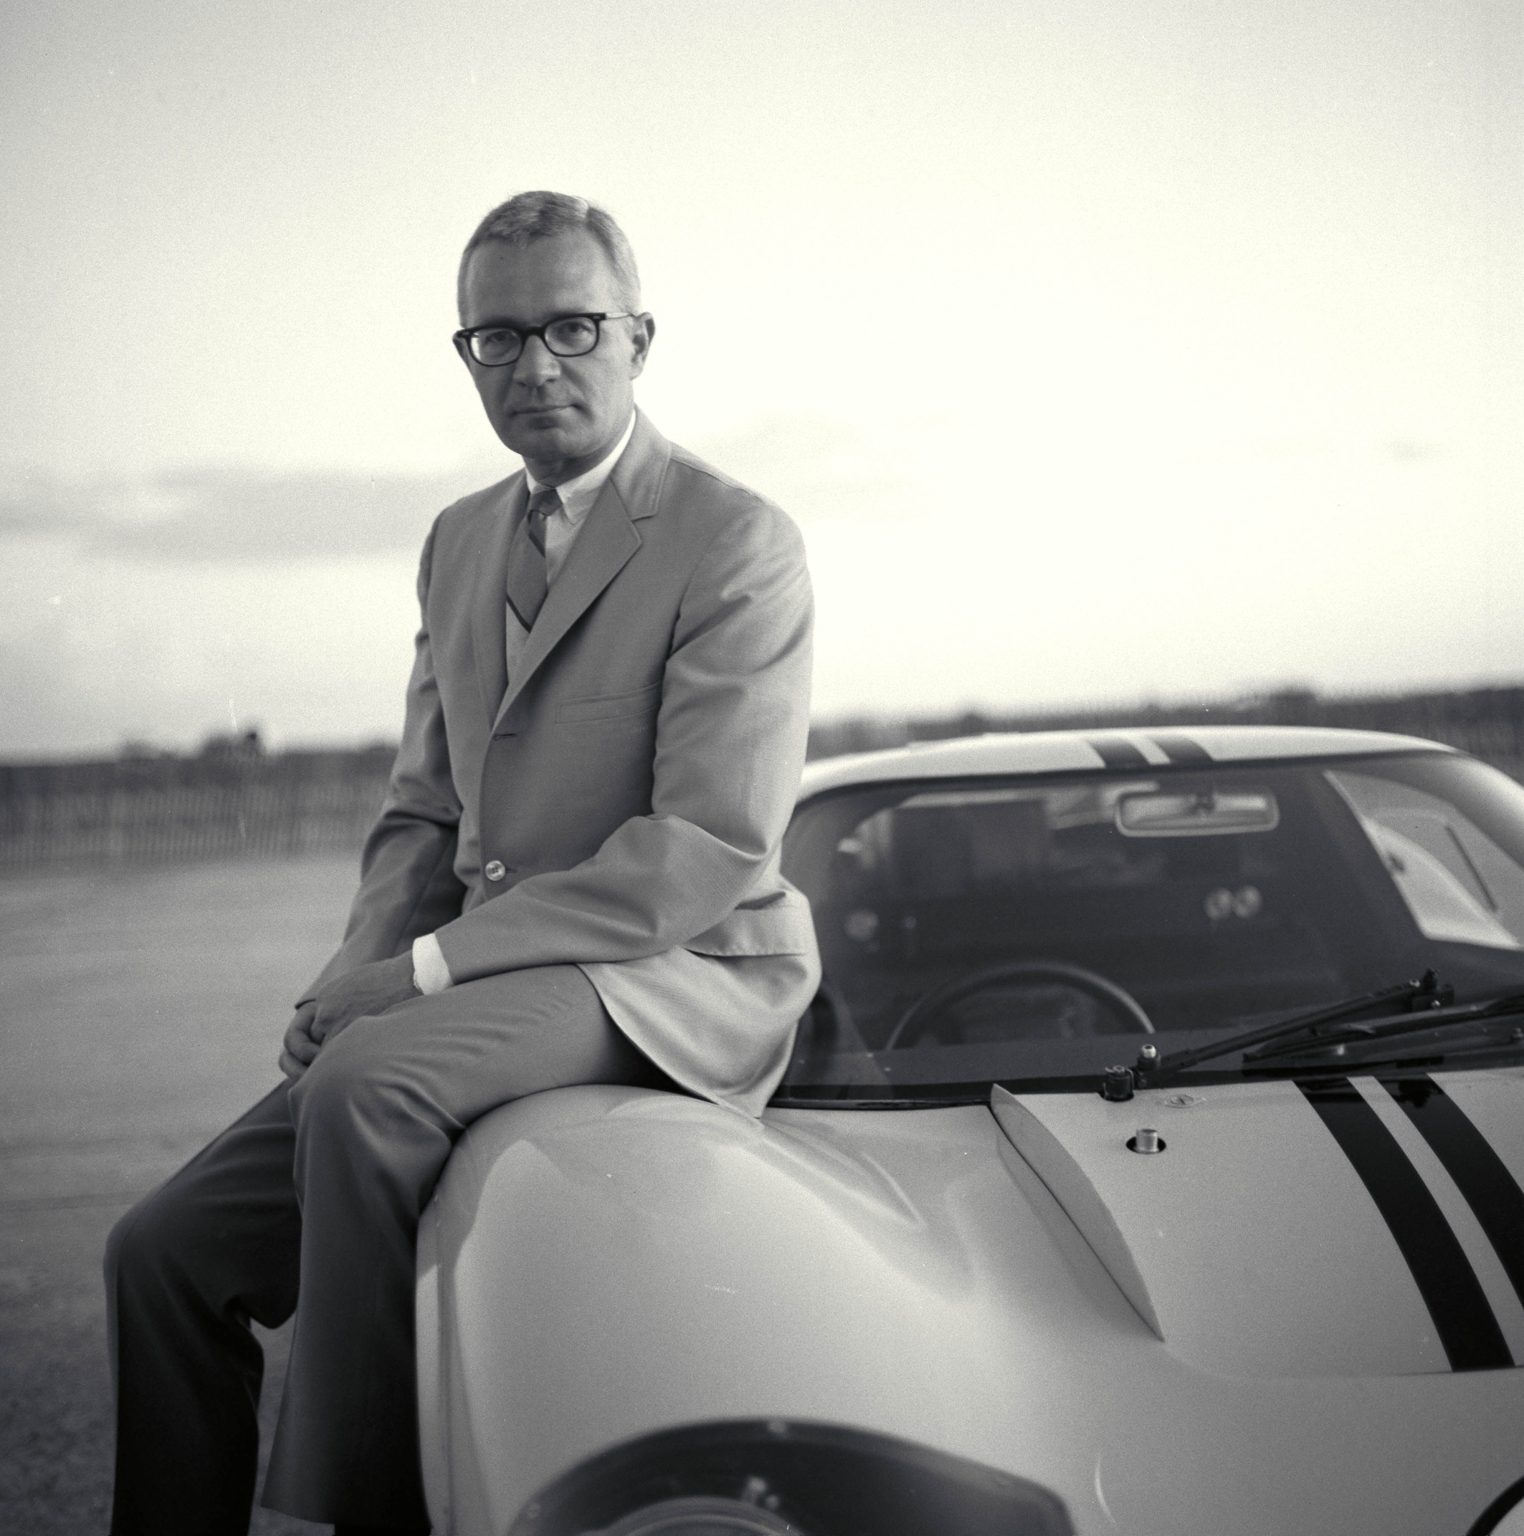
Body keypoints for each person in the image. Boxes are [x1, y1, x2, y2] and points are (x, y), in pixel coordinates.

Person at [103, 190, 819, 1536]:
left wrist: (423, 973)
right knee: (159, 1253)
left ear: (640, 338)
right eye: (497, 338)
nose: (533, 364)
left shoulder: (737, 540)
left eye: (571, 327)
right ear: (468, 354)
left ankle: (367, 1512)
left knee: (367, 1086)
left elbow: (708, 849)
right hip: (487, 973)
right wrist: (353, 971)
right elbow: (424, 811)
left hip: (667, 972)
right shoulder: (456, 540)